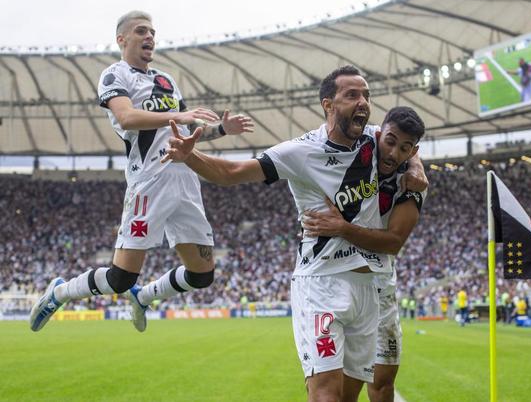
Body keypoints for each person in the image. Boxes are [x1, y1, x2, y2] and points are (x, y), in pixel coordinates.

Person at [161, 65, 428, 402]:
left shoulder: (377, 141)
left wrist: (417, 167)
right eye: (352, 95)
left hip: (368, 290)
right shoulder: (301, 152)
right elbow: (232, 172)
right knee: (326, 396)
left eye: (366, 95)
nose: (362, 102)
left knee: (347, 397)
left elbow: (408, 147)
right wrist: (191, 157)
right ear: (328, 104)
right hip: (322, 284)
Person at [29, 10, 254, 333]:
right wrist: (179, 114)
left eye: (152, 31)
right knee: (121, 277)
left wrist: (220, 129)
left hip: (185, 179)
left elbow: (186, 129)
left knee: (202, 275)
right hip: (150, 181)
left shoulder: (166, 80)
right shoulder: (114, 75)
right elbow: (127, 119)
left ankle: (145, 297)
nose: (150, 37)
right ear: (122, 39)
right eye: (141, 31)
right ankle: (60, 291)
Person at [300, 106, 426, 402]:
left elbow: (394, 241)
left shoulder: (413, 183)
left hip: (382, 287)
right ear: (380, 134)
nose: (394, 153)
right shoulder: (360, 145)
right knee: (332, 385)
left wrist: (341, 227)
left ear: (413, 150)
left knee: (382, 382)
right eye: (391, 142)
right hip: (339, 281)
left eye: (405, 149)